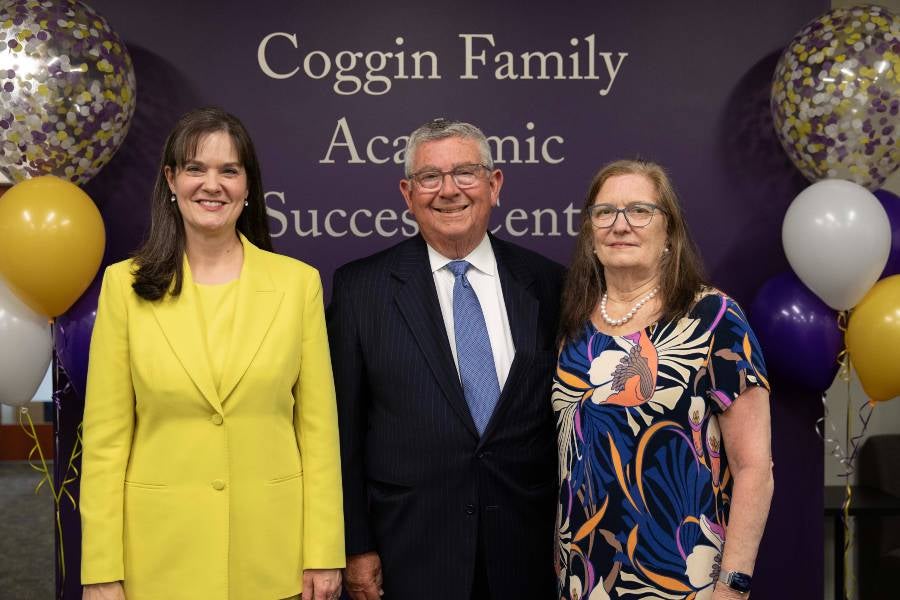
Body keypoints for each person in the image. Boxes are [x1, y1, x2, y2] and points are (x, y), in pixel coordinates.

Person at [79, 107, 344, 600]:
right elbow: (105, 442)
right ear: (171, 180)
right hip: (157, 561)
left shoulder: (297, 284)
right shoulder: (125, 286)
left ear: (247, 187)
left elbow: (318, 433)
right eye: (196, 168)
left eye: (229, 170)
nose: (212, 184)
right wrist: (100, 568)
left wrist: (324, 552)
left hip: (274, 558)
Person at [327, 118, 565, 600]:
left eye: (465, 173)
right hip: (409, 553)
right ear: (407, 193)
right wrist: (355, 546)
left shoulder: (550, 283)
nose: (448, 190)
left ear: (494, 184)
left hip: (527, 554)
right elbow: (341, 433)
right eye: (429, 177)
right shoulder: (360, 290)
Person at [554, 159, 773, 600]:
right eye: (605, 213)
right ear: (591, 236)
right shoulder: (573, 328)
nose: (621, 225)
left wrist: (733, 585)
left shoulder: (713, 320)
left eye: (639, 210)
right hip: (583, 576)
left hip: (684, 579)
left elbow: (755, 469)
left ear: (669, 234)